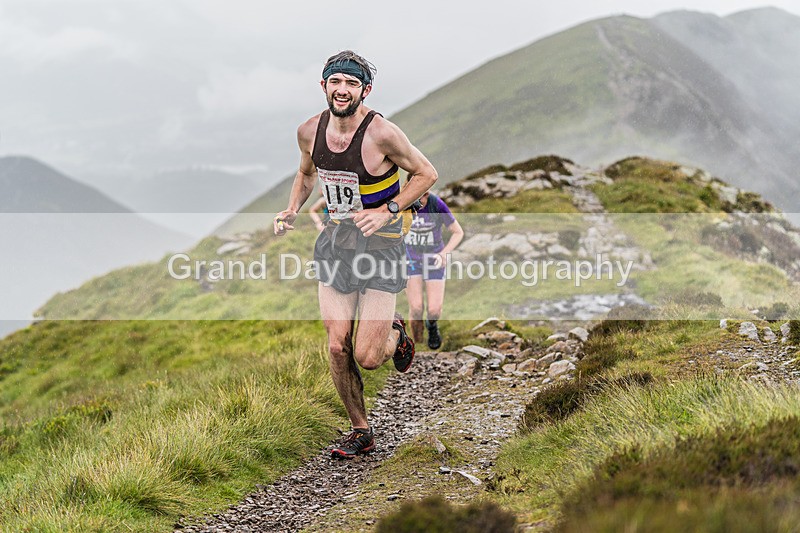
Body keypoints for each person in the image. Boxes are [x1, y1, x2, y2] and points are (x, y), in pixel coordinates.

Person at [273, 50, 437, 458]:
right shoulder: (309, 131)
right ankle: (360, 429)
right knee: (335, 345)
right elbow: (307, 173)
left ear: (364, 90)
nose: (342, 89)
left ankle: (394, 333)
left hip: (381, 247)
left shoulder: (382, 133)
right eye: (335, 81)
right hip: (336, 243)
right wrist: (293, 208)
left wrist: (388, 210)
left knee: (367, 356)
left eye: (351, 83)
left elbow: (426, 174)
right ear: (324, 85)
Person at [405, 191, 463, 349]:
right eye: (419, 194)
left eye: (425, 194)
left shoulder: (436, 204)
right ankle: (415, 346)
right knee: (416, 308)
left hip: (434, 261)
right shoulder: (403, 201)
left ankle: (431, 327)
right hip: (411, 261)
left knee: (434, 310)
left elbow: (458, 232)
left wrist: (444, 254)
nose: (421, 199)